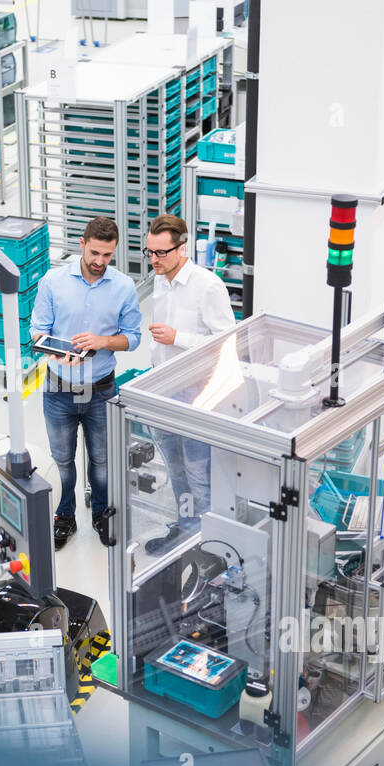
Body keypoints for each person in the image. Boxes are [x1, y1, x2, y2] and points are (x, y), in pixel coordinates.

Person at [30, 216, 142, 550]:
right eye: (94, 252)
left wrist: (103, 341)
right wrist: (54, 351)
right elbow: (37, 329)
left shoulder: (123, 287)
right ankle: (64, 515)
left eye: (107, 255)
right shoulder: (53, 281)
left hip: (102, 390)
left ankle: (101, 513)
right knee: (61, 460)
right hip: (59, 388)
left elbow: (133, 337)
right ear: (82, 243)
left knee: (103, 461)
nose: (99, 261)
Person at [142, 213, 237, 555]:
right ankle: (186, 531)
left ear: (182, 249)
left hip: (197, 397)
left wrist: (177, 337)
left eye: (161, 253)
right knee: (176, 470)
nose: (153, 260)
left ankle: (209, 547)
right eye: (149, 252)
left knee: (199, 474)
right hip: (164, 392)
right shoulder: (161, 280)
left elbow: (227, 341)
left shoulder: (207, 286)